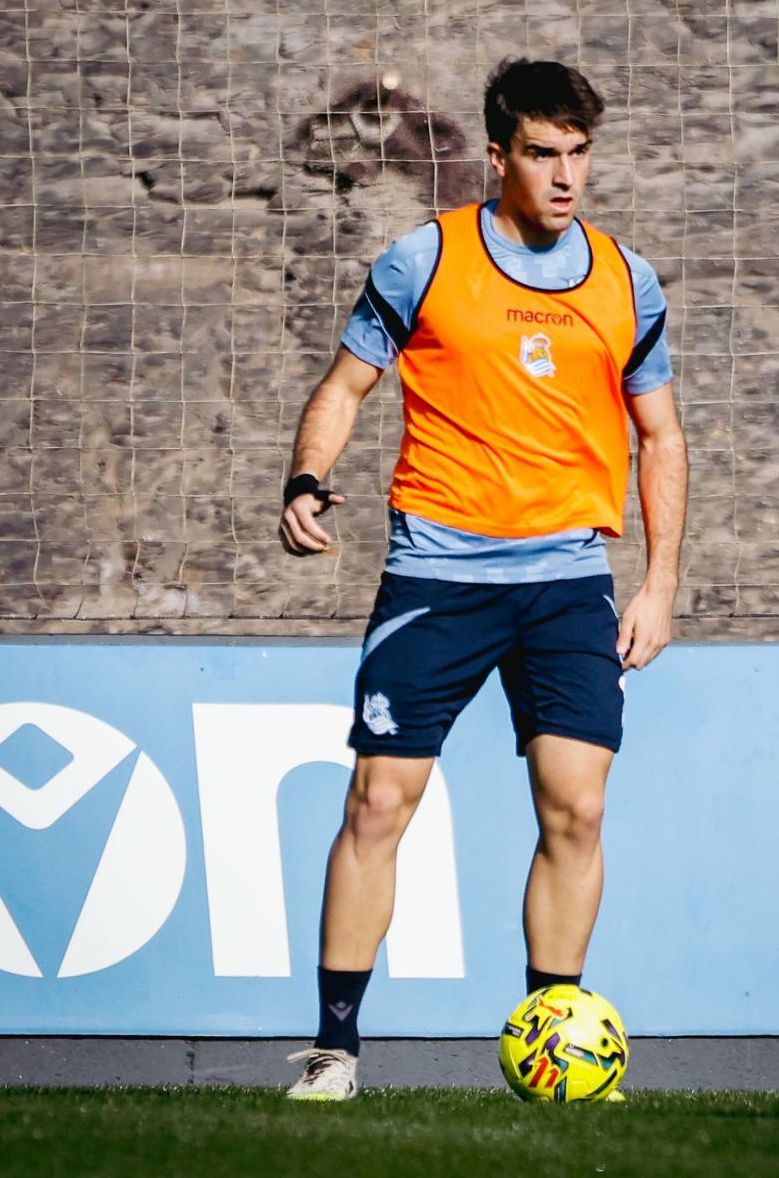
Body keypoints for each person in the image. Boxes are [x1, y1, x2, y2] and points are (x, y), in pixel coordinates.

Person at [278, 58, 688, 1100]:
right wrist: (307, 478)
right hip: (437, 575)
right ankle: (334, 1050)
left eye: (578, 152)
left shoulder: (624, 279)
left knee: (576, 808)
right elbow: (344, 385)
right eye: (543, 153)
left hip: (566, 583)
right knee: (378, 799)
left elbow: (661, 437)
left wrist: (658, 582)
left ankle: (554, 1035)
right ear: (498, 155)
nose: (564, 174)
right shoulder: (424, 259)